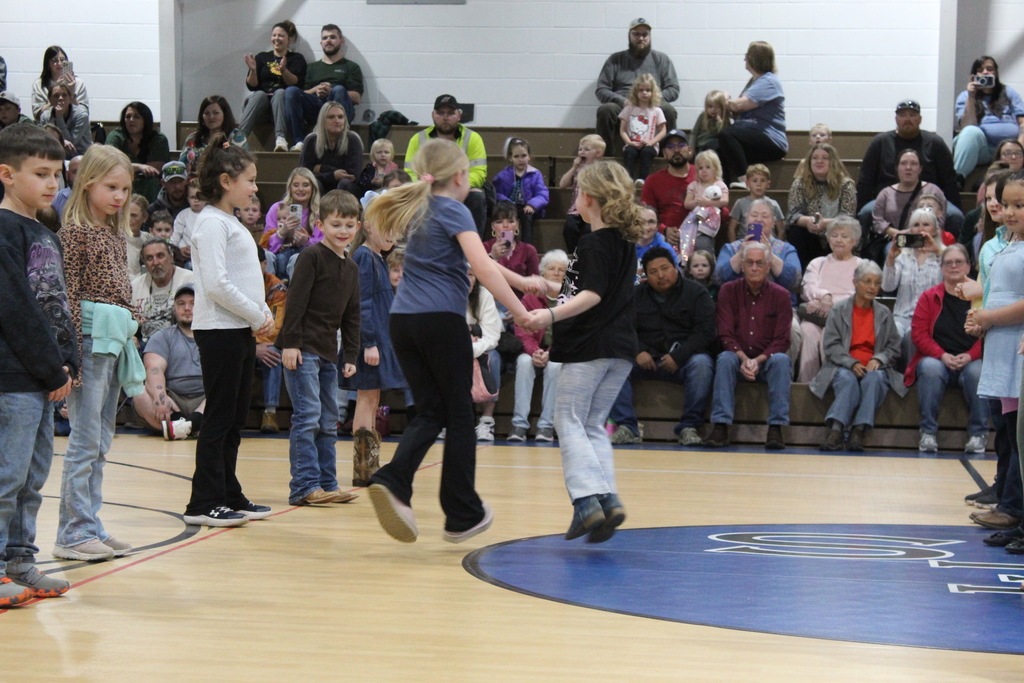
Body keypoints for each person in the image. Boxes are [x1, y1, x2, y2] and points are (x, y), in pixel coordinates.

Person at [363, 138, 531, 545]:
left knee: (431, 411)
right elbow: (482, 268)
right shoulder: (455, 210)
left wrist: (526, 282)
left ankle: (394, 480)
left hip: (404, 322)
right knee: (458, 414)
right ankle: (461, 512)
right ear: (459, 176)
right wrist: (522, 310)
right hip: (440, 321)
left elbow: (484, 263)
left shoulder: (419, 209)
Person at [520, 160, 642, 543]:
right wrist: (543, 287)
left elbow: (591, 295)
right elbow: (580, 289)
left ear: (588, 198)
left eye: (577, 194)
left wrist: (548, 316)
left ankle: (588, 501)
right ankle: (608, 499)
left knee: (568, 420)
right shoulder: (625, 244)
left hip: (590, 345)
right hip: (620, 349)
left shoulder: (591, 243)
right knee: (592, 425)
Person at [0, 123, 77, 605]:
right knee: (5, 477)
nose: (52, 183)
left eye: (56, 174)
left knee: (31, 478)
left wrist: (67, 362)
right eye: (41, 173)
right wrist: (51, 367)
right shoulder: (3, 229)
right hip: (14, 377)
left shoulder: (45, 232)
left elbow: (56, 307)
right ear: (7, 174)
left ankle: (19, 560)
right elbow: (16, 309)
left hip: (43, 378)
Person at [55, 144, 144, 562]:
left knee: (102, 440)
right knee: (85, 440)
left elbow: (121, 291)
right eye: (111, 187)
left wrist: (132, 324)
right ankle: (73, 532)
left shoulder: (113, 234)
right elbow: (67, 298)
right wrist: (70, 358)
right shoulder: (73, 234)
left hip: (114, 343)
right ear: (87, 183)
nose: (119, 197)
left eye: (125, 189)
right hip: (89, 344)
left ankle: (90, 524)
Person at [183, 132, 275, 528]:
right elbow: (217, 284)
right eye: (249, 180)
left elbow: (242, 278)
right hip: (220, 329)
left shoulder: (228, 221)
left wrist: (259, 312)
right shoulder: (210, 223)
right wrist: (257, 314)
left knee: (235, 417)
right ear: (226, 181)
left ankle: (228, 491)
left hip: (237, 329)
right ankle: (203, 502)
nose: (254, 188)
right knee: (219, 417)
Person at [277, 189, 361, 506]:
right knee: (308, 417)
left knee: (328, 420)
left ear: (358, 227)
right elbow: (295, 303)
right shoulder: (310, 257)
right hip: (302, 350)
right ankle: (304, 486)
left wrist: (350, 354)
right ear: (320, 224)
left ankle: (327, 483)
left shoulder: (351, 268)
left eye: (349, 225)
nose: (343, 231)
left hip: (328, 353)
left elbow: (352, 315)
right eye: (336, 224)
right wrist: (291, 344)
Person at [609, 246, 716, 447]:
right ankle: (627, 428)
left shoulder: (697, 293)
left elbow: (706, 332)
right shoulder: (634, 296)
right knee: (614, 363)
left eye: (665, 268)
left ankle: (689, 427)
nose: (660, 275)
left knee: (702, 364)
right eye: (653, 272)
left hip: (684, 360)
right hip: (646, 360)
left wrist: (679, 356)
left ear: (675, 267)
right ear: (646, 275)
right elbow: (621, 329)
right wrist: (638, 350)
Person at [966, 170, 1024, 537]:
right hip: (1003, 347)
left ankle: (1014, 510)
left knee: (1020, 437)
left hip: (1017, 347)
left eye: (1021, 205)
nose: (1011, 211)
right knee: (1010, 435)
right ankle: (1012, 507)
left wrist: (990, 317)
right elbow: (995, 293)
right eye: (1007, 204)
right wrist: (981, 320)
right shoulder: (1005, 243)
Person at [706, 240, 793, 450]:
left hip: (767, 360)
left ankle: (776, 428)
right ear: (742, 266)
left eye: (759, 263)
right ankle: (720, 426)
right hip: (737, 357)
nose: (754, 268)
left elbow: (782, 340)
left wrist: (758, 360)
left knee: (782, 360)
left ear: (768, 267)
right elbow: (725, 334)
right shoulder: (728, 291)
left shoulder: (781, 295)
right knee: (725, 358)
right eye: (750, 263)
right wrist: (744, 359)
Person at [810, 261, 905, 451]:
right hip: (842, 365)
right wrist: (851, 363)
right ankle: (836, 431)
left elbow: (894, 347)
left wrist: (879, 358)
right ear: (855, 282)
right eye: (867, 281)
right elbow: (831, 345)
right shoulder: (839, 310)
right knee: (848, 380)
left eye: (877, 283)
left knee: (875, 379)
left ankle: (858, 431)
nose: (872, 287)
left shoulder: (884, 313)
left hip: (874, 367)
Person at [342, 195, 404, 485]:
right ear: (367, 226)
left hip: (377, 342)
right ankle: (363, 468)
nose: (392, 234)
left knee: (372, 399)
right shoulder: (365, 257)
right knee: (366, 402)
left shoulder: (378, 258)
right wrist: (368, 343)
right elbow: (361, 304)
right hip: (369, 344)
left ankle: (369, 466)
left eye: (394, 228)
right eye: (386, 227)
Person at [904, 245, 987, 453]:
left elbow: (988, 333)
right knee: (930, 368)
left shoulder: (980, 297)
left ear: (968, 266)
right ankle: (928, 433)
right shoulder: (928, 297)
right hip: (937, 359)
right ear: (941, 268)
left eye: (959, 262)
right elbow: (918, 334)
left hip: (971, 360)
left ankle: (979, 434)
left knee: (978, 372)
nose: (953, 266)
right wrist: (942, 355)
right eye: (948, 263)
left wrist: (970, 356)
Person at [856, 100, 962, 223]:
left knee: (955, 216)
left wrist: (955, 205)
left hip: (928, 198)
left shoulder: (935, 143)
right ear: (896, 119)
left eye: (912, 115)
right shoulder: (880, 142)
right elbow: (866, 180)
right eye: (902, 115)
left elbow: (949, 180)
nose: (907, 119)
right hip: (888, 199)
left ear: (920, 119)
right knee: (865, 213)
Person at [404, 94, 489, 236]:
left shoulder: (473, 138)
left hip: (461, 189)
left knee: (477, 196)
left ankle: (474, 241)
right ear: (433, 115)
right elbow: (409, 173)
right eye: (440, 113)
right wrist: (429, 186)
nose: (445, 117)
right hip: (426, 190)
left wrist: (452, 187)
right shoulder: (417, 139)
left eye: (450, 113)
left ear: (459, 116)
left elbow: (479, 173)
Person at [131, 285, 206, 439]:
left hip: (204, 399)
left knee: (229, 388)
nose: (187, 308)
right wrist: (161, 398)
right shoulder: (162, 336)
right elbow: (154, 369)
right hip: (173, 399)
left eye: (193, 303)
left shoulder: (214, 337)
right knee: (139, 393)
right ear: (174, 309)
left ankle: (184, 426)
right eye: (181, 304)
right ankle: (192, 426)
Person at [508, 250, 567, 442]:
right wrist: (535, 352)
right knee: (524, 362)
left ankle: (546, 426)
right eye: (551, 269)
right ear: (543, 273)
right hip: (533, 349)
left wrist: (551, 353)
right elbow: (522, 329)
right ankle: (519, 425)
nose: (556, 273)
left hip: (558, 352)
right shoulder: (530, 297)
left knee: (555, 365)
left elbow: (569, 334)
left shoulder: (570, 299)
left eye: (561, 270)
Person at [595, 18, 678, 154]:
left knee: (668, 110)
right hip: (623, 105)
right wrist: (623, 101)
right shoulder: (615, 60)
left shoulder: (661, 59)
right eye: (636, 34)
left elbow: (673, 89)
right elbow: (601, 89)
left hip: (652, 104)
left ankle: (667, 157)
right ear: (629, 35)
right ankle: (606, 157)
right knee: (605, 110)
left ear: (649, 36)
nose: (641, 38)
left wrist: (653, 99)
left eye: (645, 35)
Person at [796, 217, 864, 382]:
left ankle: (831, 383)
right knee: (807, 331)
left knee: (830, 333)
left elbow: (859, 295)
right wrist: (824, 296)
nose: (838, 240)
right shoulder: (818, 263)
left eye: (844, 236)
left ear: (854, 241)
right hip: (816, 315)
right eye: (834, 235)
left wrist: (832, 303)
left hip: (845, 317)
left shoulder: (861, 265)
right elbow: (808, 288)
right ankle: (806, 385)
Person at [716, 41, 787, 187]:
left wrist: (725, 99)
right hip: (752, 134)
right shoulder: (754, 82)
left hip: (770, 139)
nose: (745, 59)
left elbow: (738, 105)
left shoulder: (769, 81)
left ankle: (744, 181)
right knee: (715, 147)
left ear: (755, 58)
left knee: (727, 134)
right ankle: (724, 188)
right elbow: (740, 113)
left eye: (747, 55)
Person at [284, 23, 364, 150]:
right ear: (321, 43)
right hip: (316, 108)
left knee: (338, 89)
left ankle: (338, 141)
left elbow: (357, 98)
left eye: (333, 37)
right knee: (291, 91)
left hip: (339, 108)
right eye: (325, 38)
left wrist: (331, 91)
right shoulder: (312, 67)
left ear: (341, 41)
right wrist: (315, 90)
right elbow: (304, 92)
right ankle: (299, 141)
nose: (328, 41)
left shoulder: (351, 67)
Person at [868, 148, 947, 263]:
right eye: (903, 163)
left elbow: (940, 219)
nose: (908, 167)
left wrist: (919, 231)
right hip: (897, 239)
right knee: (891, 251)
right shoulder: (885, 194)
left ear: (920, 169)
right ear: (897, 168)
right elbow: (877, 221)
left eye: (913, 164)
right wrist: (896, 233)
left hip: (926, 238)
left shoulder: (933, 190)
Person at [239, 20, 308, 152]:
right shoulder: (262, 57)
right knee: (259, 94)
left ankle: (281, 138)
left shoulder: (296, 58)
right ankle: (239, 137)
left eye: (281, 35)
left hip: (282, 110)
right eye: (274, 35)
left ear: (289, 39)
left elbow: (296, 83)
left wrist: (284, 70)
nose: (276, 38)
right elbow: (252, 86)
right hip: (262, 108)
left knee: (280, 92)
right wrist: (253, 70)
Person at [715, 198, 802, 302]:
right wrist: (740, 254)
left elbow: (795, 281)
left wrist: (771, 256)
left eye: (765, 216)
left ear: (773, 222)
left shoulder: (786, 249)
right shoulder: (731, 248)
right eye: (754, 215)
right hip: (740, 305)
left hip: (778, 306)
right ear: (746, 219)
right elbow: (718, 279)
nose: (759, 219)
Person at [952, 56, 1024, 181]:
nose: (985, 72)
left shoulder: (1008, 92)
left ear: (996, 73)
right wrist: (971, 97)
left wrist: (1019, 147)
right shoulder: (965, 96)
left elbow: (1023, 121)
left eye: (989, 69)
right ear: (974, 76)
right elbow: (967, 126)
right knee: (970, 131)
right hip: (983, 149)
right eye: (980, 70)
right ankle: (958, 179)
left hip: (1010, 148)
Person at [786, 143, 857, 267]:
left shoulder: (846, 185)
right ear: (809, 162)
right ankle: (801, 274)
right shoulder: (799, 184)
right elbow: (793, 215)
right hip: (810, 235)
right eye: (815, 158)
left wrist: (825, 223)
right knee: (796, 232)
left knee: (845, 232)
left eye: (825, 158)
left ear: (832, 162)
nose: (819, 161)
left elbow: (848, 218)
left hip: (836, 233)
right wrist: (809, 222)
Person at [881, 208, 944, 337]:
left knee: (913, 334)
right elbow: (887, 287)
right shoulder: (902, 255)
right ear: (910, 230)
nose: (921, 229)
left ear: (935, 230)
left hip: (931, 319)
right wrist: (891, 259)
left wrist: (938, 253)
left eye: (926, 224)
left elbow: (952, 284)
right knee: (894, 333)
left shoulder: (945, 255)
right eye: (916, 225)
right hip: (902, 316)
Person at [130, 237, 196, 344]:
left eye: (160, 256)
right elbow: (128, 324)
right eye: (149, 258)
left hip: (183, 341)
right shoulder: (135, 286)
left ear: (171, 257)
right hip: (146, 343)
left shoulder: (190, 280)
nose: (155, 262)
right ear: (144, 263)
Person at [261, 167, 323, 280]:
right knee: (266, 256)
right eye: (296, 185)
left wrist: (306, 241)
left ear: (313, 189)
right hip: (278, 255)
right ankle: (270, 289)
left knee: (297, 258)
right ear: (290, 188)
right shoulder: (277, 208)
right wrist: (281, 234)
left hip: (304, 257)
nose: (300, 189)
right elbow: (265, 244)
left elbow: (323, 246)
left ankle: (295, 290)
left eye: (305, 185)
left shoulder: (319, 212)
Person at [640, 129, 695, 249]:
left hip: (698, 236)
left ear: (689, 150)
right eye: (670, 146)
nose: (676, 150)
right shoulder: (653, 181)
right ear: (664, 153)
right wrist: (664, 230)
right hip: (665, 240)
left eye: (681, 145)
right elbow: (645, 216)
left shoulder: (702, 174)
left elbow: (722, 212)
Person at [105, 102, 170, 202]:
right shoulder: (116, 136)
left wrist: (130, 168)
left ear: (145, 120)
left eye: (137, 117)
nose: (131, 120)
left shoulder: (158, 138)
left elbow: (153, 171)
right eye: (128, 117)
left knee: (152, 182)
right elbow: (109, 165)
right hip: (120, 179)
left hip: (147, 183)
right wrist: (140, 167)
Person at [466, 265, 503, 441]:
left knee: (493, 358)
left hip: (478, 348)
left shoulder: (484, 294)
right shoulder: (444, 294)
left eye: (471, 275)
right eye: (462, 274)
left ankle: (487, 421)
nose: (468, 279)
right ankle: (447, 420)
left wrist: (468, 350)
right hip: (451, 349)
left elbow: (492, 336)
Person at [492, 137, 549, 246]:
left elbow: (542, 194)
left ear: (529, 156)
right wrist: (508, 204)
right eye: (516, 156)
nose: (520, 159)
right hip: (510, 207)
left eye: (524, 155)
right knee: (506, 218)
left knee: (527, 217)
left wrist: (532, 205)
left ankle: (526, 247)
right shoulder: (503, 175)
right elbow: (497, 193)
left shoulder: (535, 174)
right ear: (510, 158)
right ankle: (506, 245)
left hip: (527, 207)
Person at [298, 101, 363, 195]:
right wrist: (333, 175)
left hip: (347, 189)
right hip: (322, 186)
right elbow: (305, 175)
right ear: (322, 120)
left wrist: (320, 168)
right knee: (314, 183)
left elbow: (352, 176)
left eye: (340, 117)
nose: (337, 121)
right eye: (331, 117)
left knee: (345, 183)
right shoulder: (311, 140)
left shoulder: (353, 140)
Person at [256, 246, 287, 434]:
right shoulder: (233, 285)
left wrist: (257, 344)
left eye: (256, 263)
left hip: (265, 342)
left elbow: (275, 327)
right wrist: (251, 347)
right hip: (242, 344)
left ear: (265, 263)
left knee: (273, 353)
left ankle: (270, 413)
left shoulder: (276, 287)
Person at [178, 95, 249, 175]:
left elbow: (242, 166)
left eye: (216, 113)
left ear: (225, 114)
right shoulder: (192, 138)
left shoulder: (236, 137)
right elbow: (181, 166)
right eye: (207, 113)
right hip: (194, 181)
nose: (211, 117)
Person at [559, 134, 605, 254]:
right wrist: (574, 167)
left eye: (587, 149)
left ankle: (586, 254)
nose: (582, 152)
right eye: (580, 149)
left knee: (588, 231)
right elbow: (562, 184)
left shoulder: (601, 170)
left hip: (592, 211)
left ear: (598, 153)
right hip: (575, 210)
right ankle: (574, 254)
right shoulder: (577, 169)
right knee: (569, 228)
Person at [483, 200, 540, 293]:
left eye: (510, 221)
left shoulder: (529, 250)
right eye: (499, 222)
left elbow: (536, 285)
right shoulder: (484, 247)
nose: (505, 226)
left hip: (521, 300)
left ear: (517, 225)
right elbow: (478, 280)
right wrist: (492, 256)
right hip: (491, 299)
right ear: (493, 226)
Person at [618, 73, 667, 182]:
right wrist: (629, 142)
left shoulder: (657, 110)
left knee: (646, 153)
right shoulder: (629, 109)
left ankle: (642, 179)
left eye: (648, 90)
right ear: (636, 92)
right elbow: (622, 130)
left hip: (649, 145)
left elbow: (663, 131)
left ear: (653, 92)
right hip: (632, 143)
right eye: (641, 90)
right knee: (629, 152)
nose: (644, 93)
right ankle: (628, 179)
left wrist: (651, 142)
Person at [683, 150, 729, 255]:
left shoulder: (719, 184)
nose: (704, 171)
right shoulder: (694, 185)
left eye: (708, 167)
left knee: (703, 243)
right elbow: (687, 204)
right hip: (695, 221)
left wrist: (708, 202)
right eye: (700, 168)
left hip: (711, 221)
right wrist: (698, 202)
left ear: (716, 169)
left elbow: (725, 201)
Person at [727, 163, 783, 242]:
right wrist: (734, 246)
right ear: (747, 184)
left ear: (768, 184)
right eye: (755, 181)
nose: (758, 184)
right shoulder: (740, 203)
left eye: (762, 181)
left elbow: (781, 230)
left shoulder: (773, 204)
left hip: (768, 243)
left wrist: (778, 247)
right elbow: (731, 228)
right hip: (745, 243)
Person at [31, 46, 89, 120]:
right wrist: (54, 96)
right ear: (48, 64)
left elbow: (84, 113)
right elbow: (37, 115)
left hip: (73, 124)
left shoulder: (78, 83)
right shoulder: (39, 84)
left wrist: (71, 95)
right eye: (54, 60)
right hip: (49, 124)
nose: (59, 63)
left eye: (62, 60)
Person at [38, 83, 91, 158]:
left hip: (80, 155)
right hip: (55, 155)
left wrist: (59, 117)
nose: (60, 98)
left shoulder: (81, 115)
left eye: (64, 95)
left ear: (70, 98)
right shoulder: (45, 116)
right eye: (56, 96)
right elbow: (44, 141)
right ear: (50, 99)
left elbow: (71, 143)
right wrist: (62, 142)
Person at [634, 203, 676, 271]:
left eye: (651, 222)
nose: (646, 226)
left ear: (658, 226)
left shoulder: (666, 249)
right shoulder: (625, 248)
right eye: (641, 221)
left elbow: (674, 275)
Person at [171, 178, 206, 262]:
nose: (196, 200)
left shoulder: (212, 214)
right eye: (193, 197)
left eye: (200, 197)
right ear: (187, 198)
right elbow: (176, 234)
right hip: (187, 256)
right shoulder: (183, 215)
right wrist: (173, 249)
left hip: (206, 254)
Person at [690, 90, 731, 155]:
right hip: (701, 146)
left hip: (715, 148)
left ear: (722, 108)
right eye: (710, 106)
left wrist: (719, 122)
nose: (713, 110)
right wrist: (691, 147)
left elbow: (723, 135)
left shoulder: (724, 119)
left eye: (717, 107)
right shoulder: (703, 116)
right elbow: (694, 133)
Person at [51, 153, 82, 218]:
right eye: (75, 172)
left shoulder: (99, 200)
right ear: (67, 174)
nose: (79, 176)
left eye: (84, 172)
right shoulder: (57, 198)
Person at [126, 193, 148, 278]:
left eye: (133, 215)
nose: (128, 219)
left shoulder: (149, 239)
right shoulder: (114, 240)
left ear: (145, 217)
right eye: (126, 214)